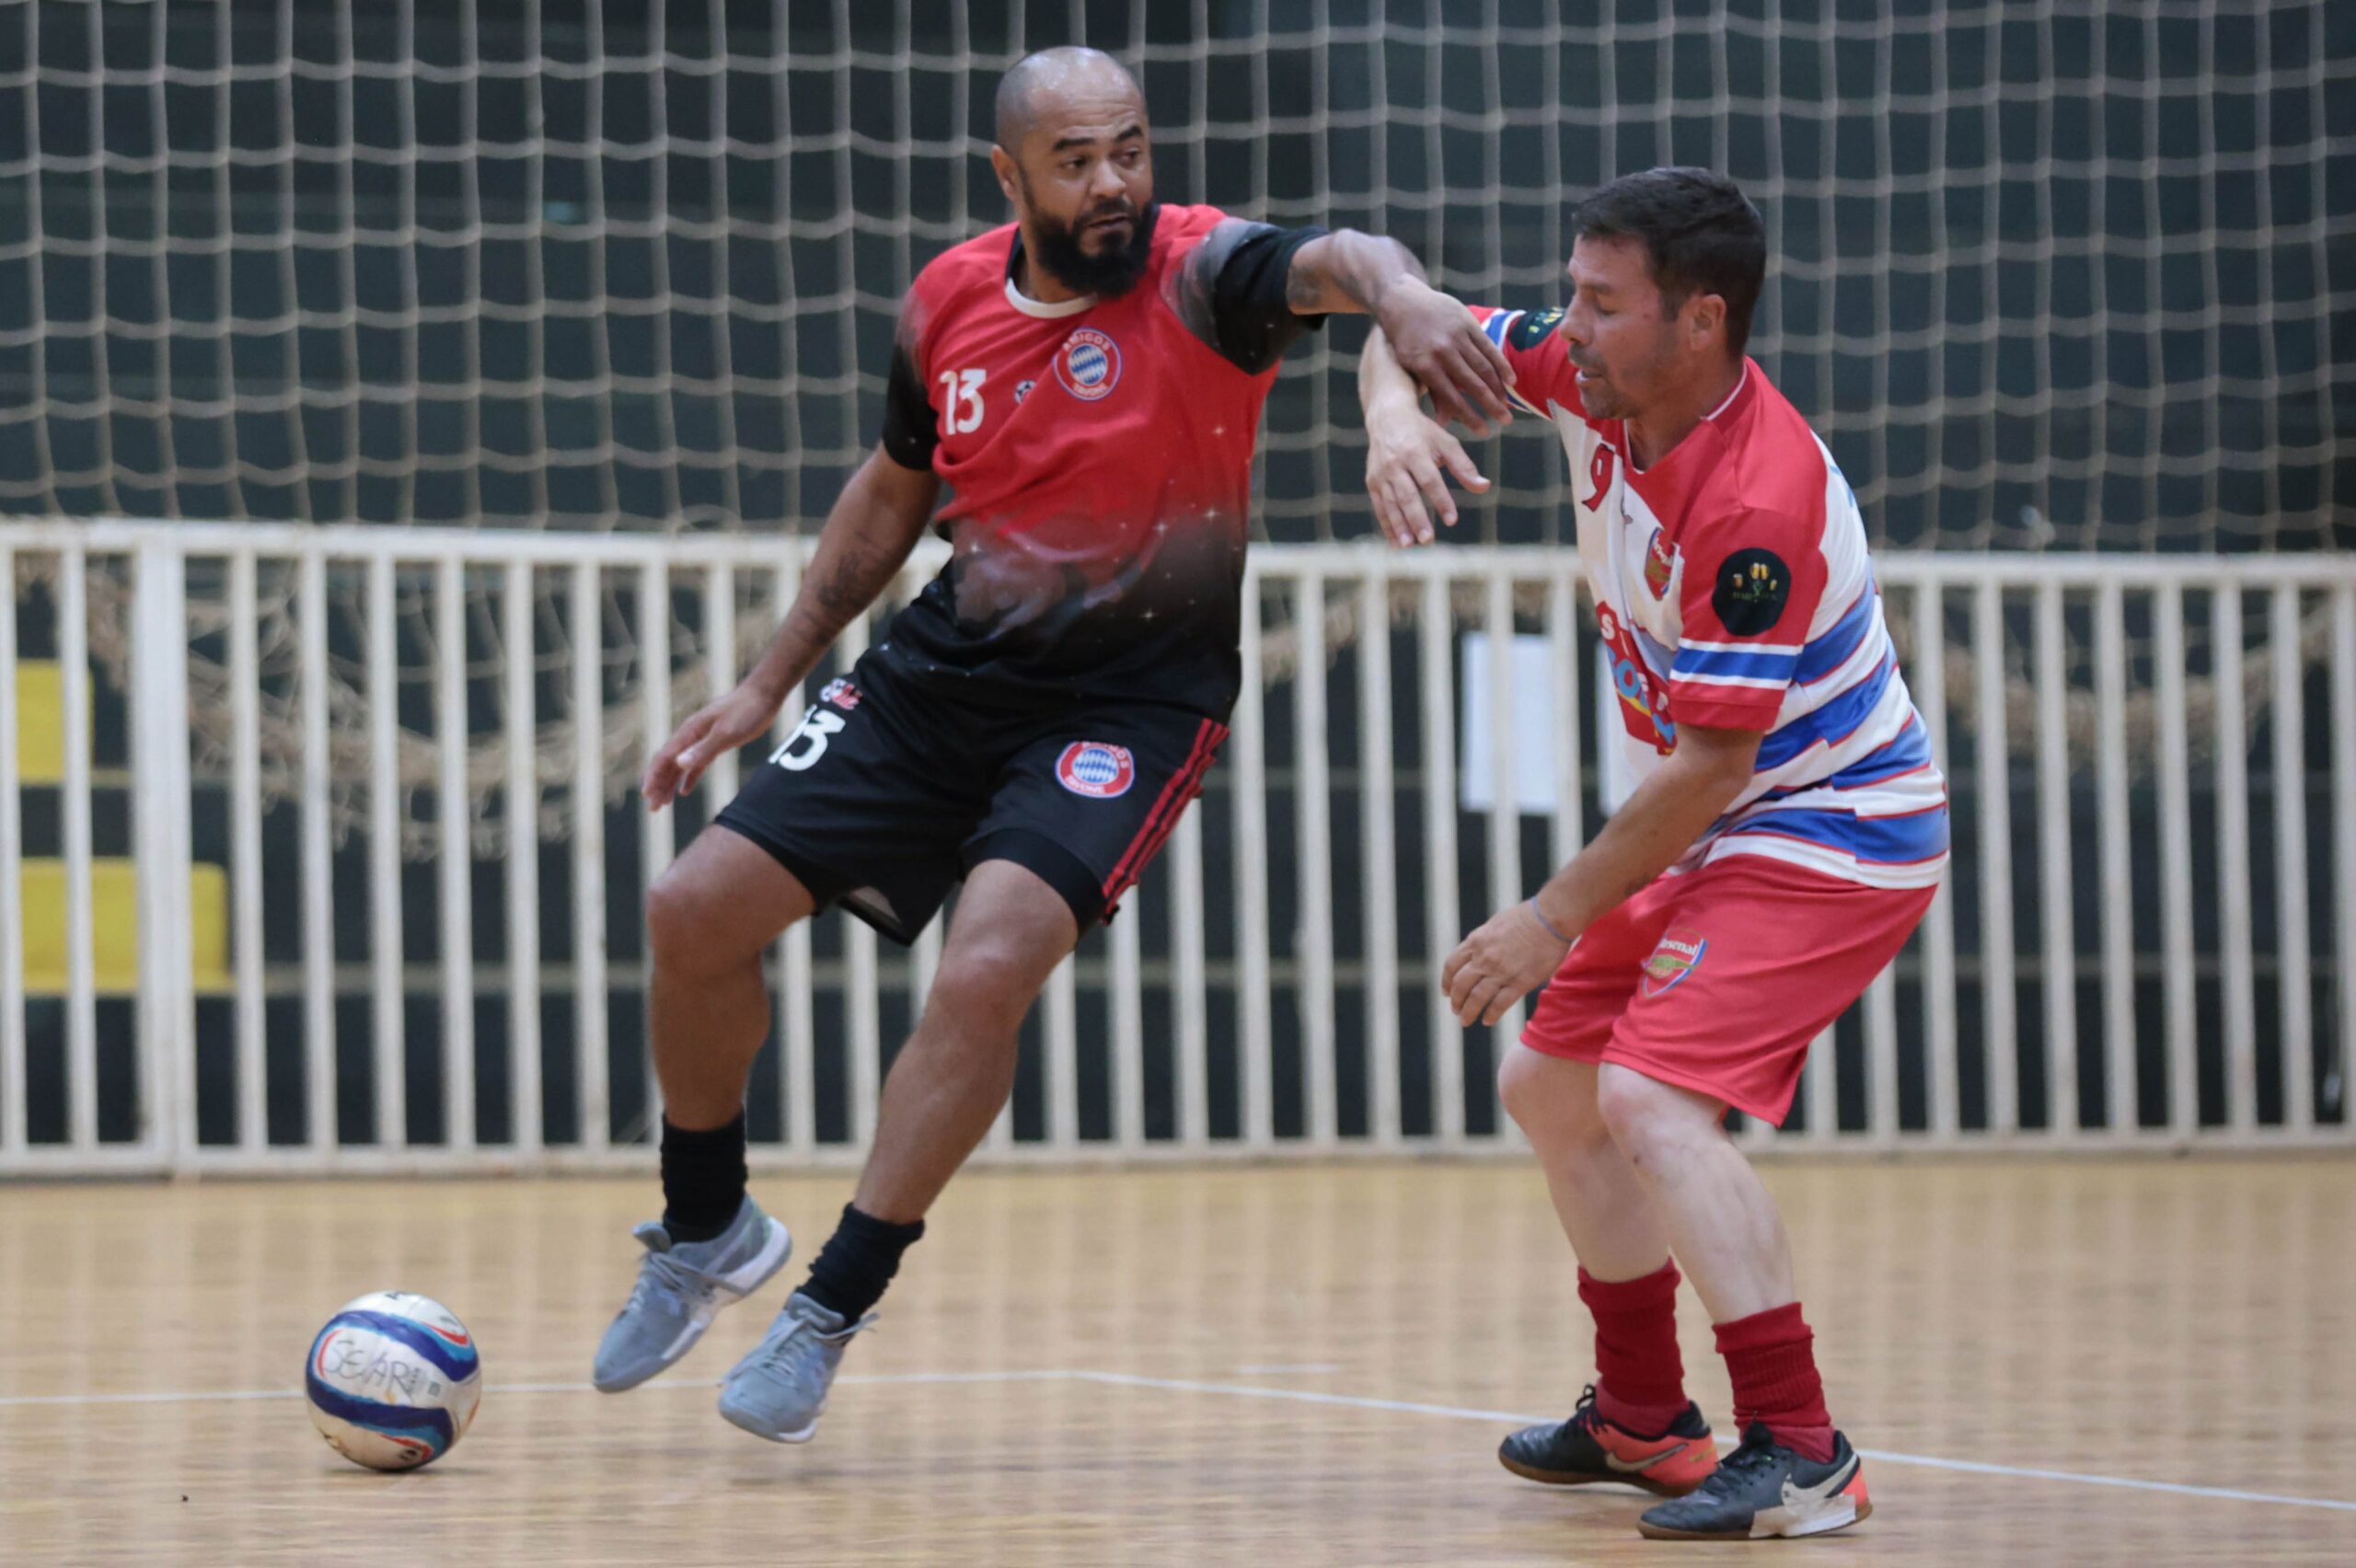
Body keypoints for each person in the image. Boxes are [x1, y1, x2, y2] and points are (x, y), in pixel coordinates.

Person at [594, 45, 1516, 1447]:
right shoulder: (947, 300)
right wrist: (767, 679)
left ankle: (832, 1301)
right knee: (689, 909)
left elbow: (1347, 255)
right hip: (944, 673)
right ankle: (706, 1225)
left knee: (988, 963)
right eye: (1077, 161)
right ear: (1009, 175)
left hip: (1131, 709)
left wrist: (1404, 307)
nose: (1113, 185)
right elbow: (893, 493)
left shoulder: (1205, 273)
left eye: (1131, 149)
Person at [1357, 167, 1946, 1541]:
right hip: (1718, 824)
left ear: (1701, 321)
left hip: (1833, 824)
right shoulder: (1589, 377)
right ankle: (1641, 1419)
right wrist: (1394, 415)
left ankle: (1803, 1448)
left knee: (1651, 1104)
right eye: (1570, 290)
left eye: (1602, 303)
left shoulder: (1756, 498)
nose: (1568, 325)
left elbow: (1714, 766)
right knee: (1547, 1087)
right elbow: (1400, 317)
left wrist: (1547, 918)